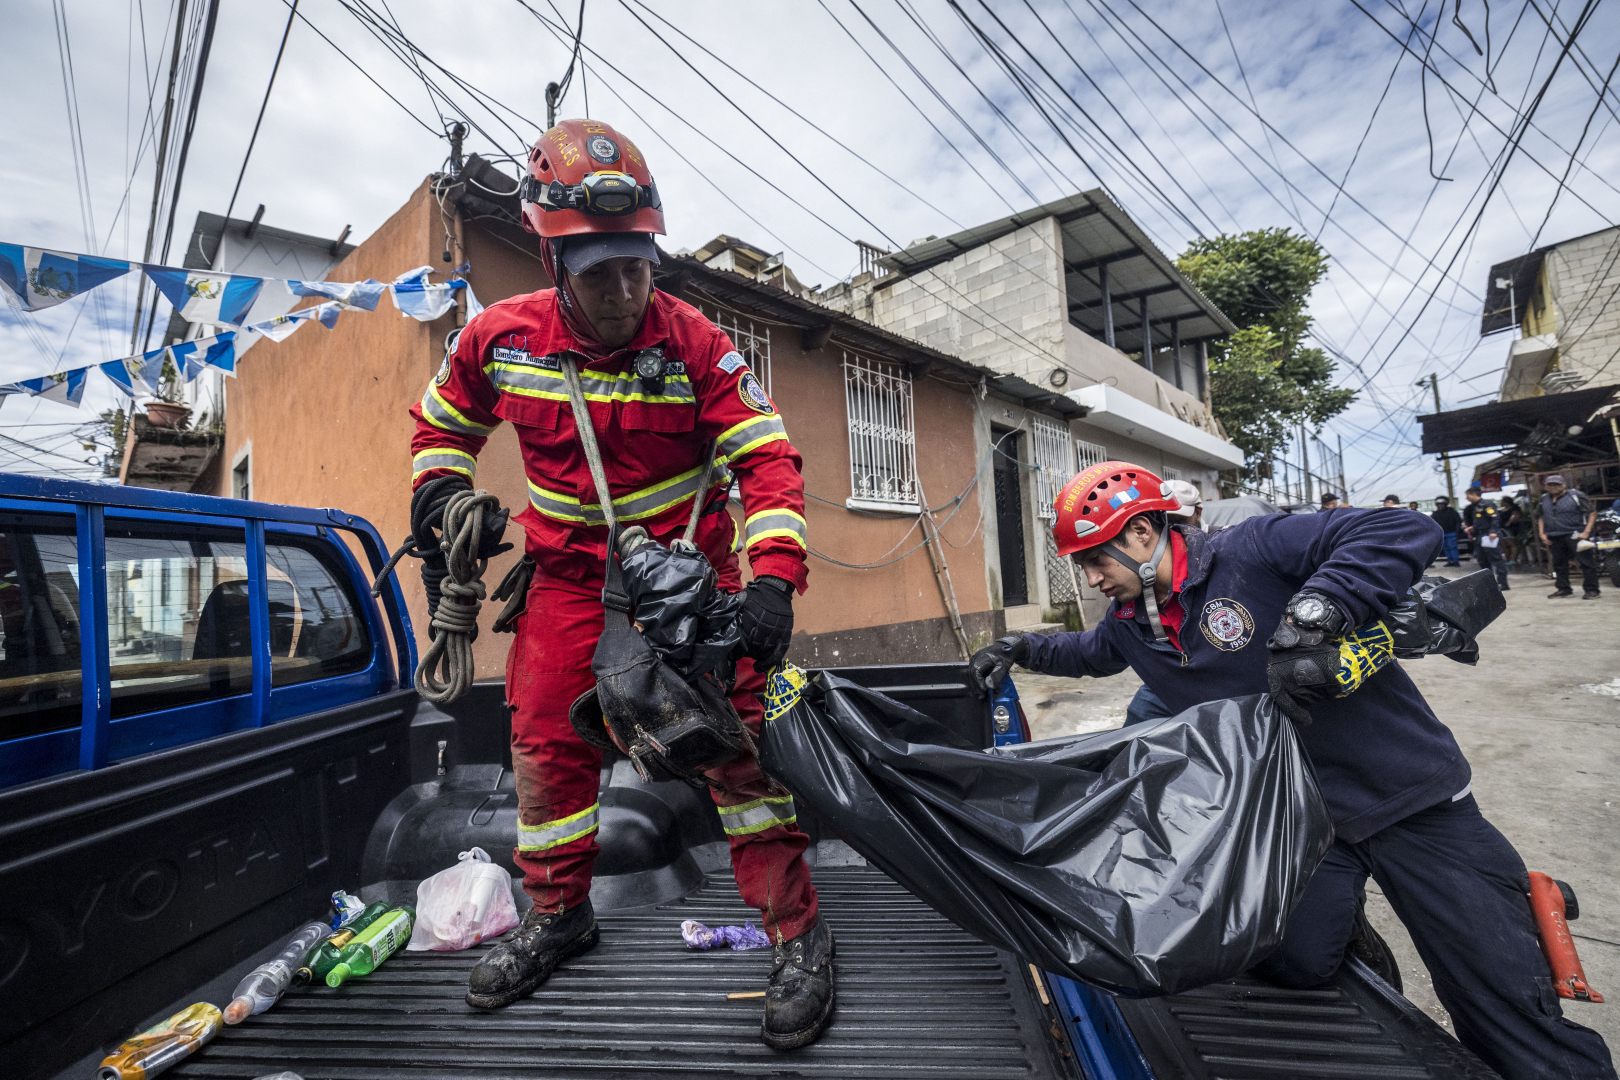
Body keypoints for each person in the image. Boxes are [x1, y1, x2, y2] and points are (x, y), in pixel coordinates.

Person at [966, 461, 1614, 1080]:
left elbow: (1402, 531)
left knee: (1502, 1010)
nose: (1090, 578)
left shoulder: (1250, 549)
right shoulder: (1135, 624)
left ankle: (1504, 901)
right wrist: (1023, 647)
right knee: (1295, 966)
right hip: (1306, 818)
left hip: (1410, 800)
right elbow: (1093, 653)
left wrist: (1319, 610)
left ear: (1140, 533)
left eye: (1095, 559)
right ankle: (1353, 913)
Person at [408, 119, 832, 1049]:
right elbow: (440, 430)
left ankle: (797, 936)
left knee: (740, 760)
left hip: (690, 580)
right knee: (548, 753)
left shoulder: (698, 345)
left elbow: (767, 460)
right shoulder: (497, 339)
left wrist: (770, 585)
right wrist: (442, 498)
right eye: (599, 269)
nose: (624, 287)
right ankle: (560, 916)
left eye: (637, 262)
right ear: (556, 261)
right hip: (566, 581)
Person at [1539, 474, 1599, 599]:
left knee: (1586, 563)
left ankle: (1592, 590)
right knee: (1559, 564)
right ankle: (1564, 589)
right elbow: (1541, 516)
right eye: (1550, 484)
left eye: (1557, 484)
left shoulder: (1576, 496)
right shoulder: (1544, 498)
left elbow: (1592, 512)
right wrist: (1542, 533)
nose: (1553, 487)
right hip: (1554, 536)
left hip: (1576, 535)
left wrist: (1587, 532)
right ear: (1546, 487)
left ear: (1564, 485)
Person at [1463, 485, 1510, 591]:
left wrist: (1493, 531)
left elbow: (1495, 518)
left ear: (1474, 494)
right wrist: (1472, 528)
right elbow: (1482, 521)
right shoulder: (1475, 506)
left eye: (1468, 495)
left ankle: (1503, 583)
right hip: (1479, 536)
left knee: (1496, 559)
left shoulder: (1486, 504)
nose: (1467, 498)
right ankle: (1489, 583)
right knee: (1482, 560)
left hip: (1489, 536)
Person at [1430, 496, 1462, 567]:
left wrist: (1457, 531)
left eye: (1442, 504)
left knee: (1452, 547)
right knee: (1446, 548)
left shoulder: (1452, 512)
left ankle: (1455, 561)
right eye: (1439, 504)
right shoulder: (1435, 514)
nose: (1440, 506)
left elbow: (1458, 522)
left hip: (1451, 533)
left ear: (1445, 504)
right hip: (1442, 534)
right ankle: (1450, 561)